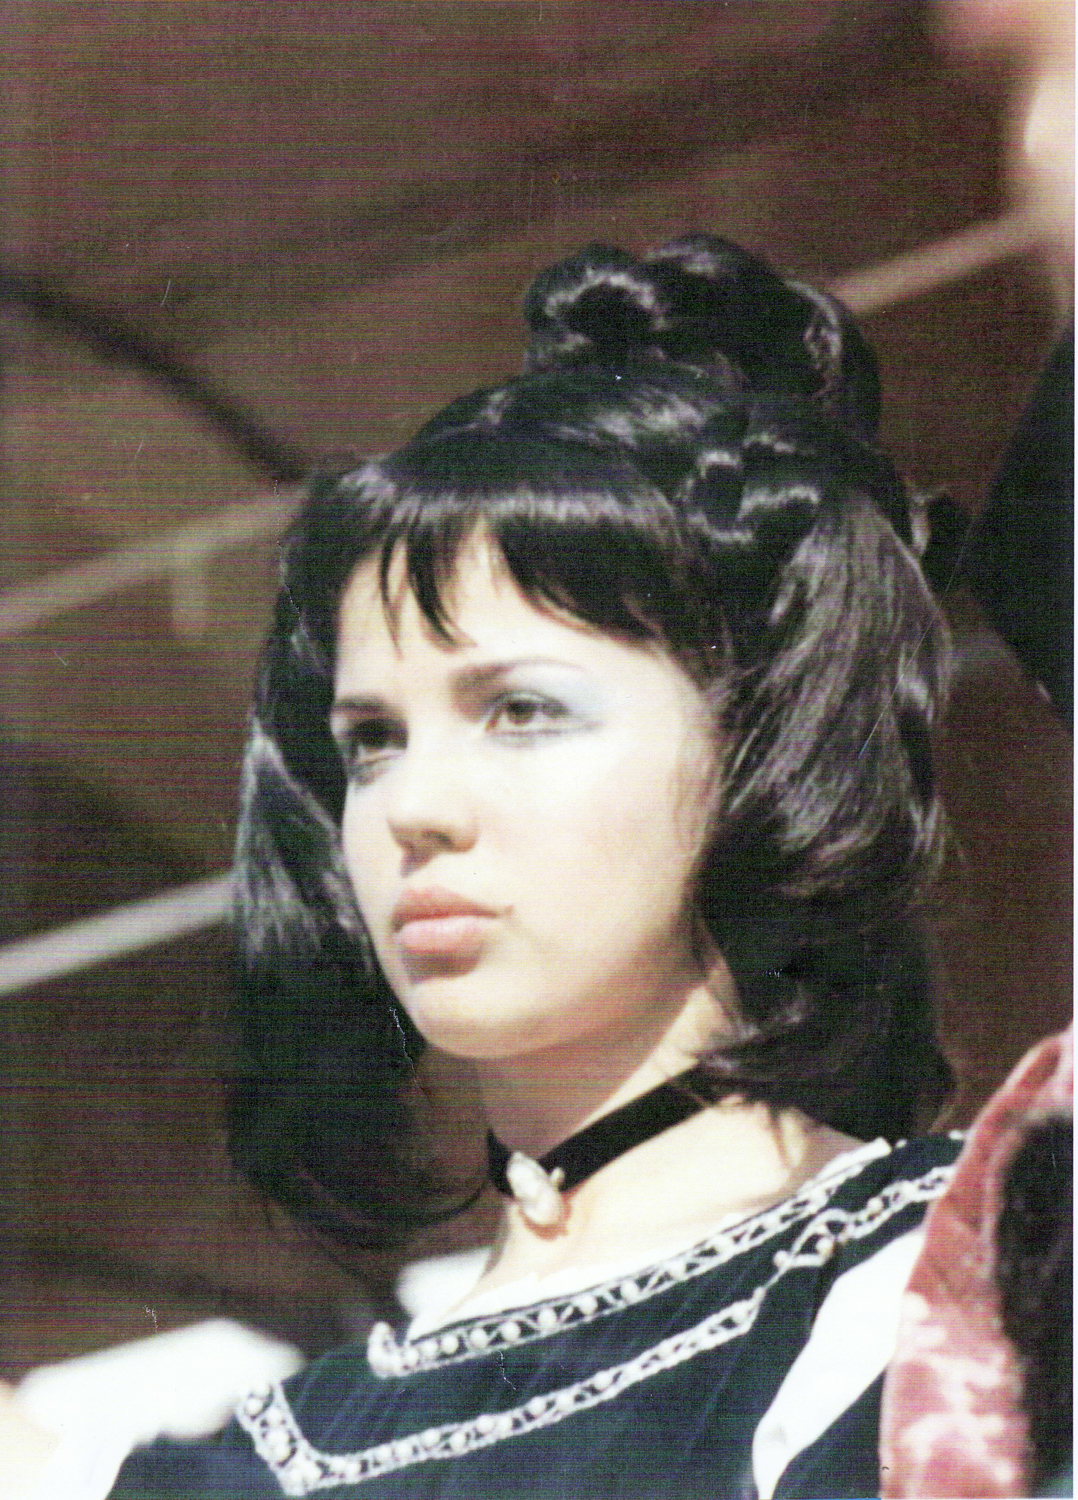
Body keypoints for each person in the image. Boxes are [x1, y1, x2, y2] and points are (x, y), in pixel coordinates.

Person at [13, 235, 961, 1499]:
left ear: (759, 739)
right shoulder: (257, 1463)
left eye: (521, 710)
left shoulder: (958, 1294)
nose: (414, 808)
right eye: (372, 741)